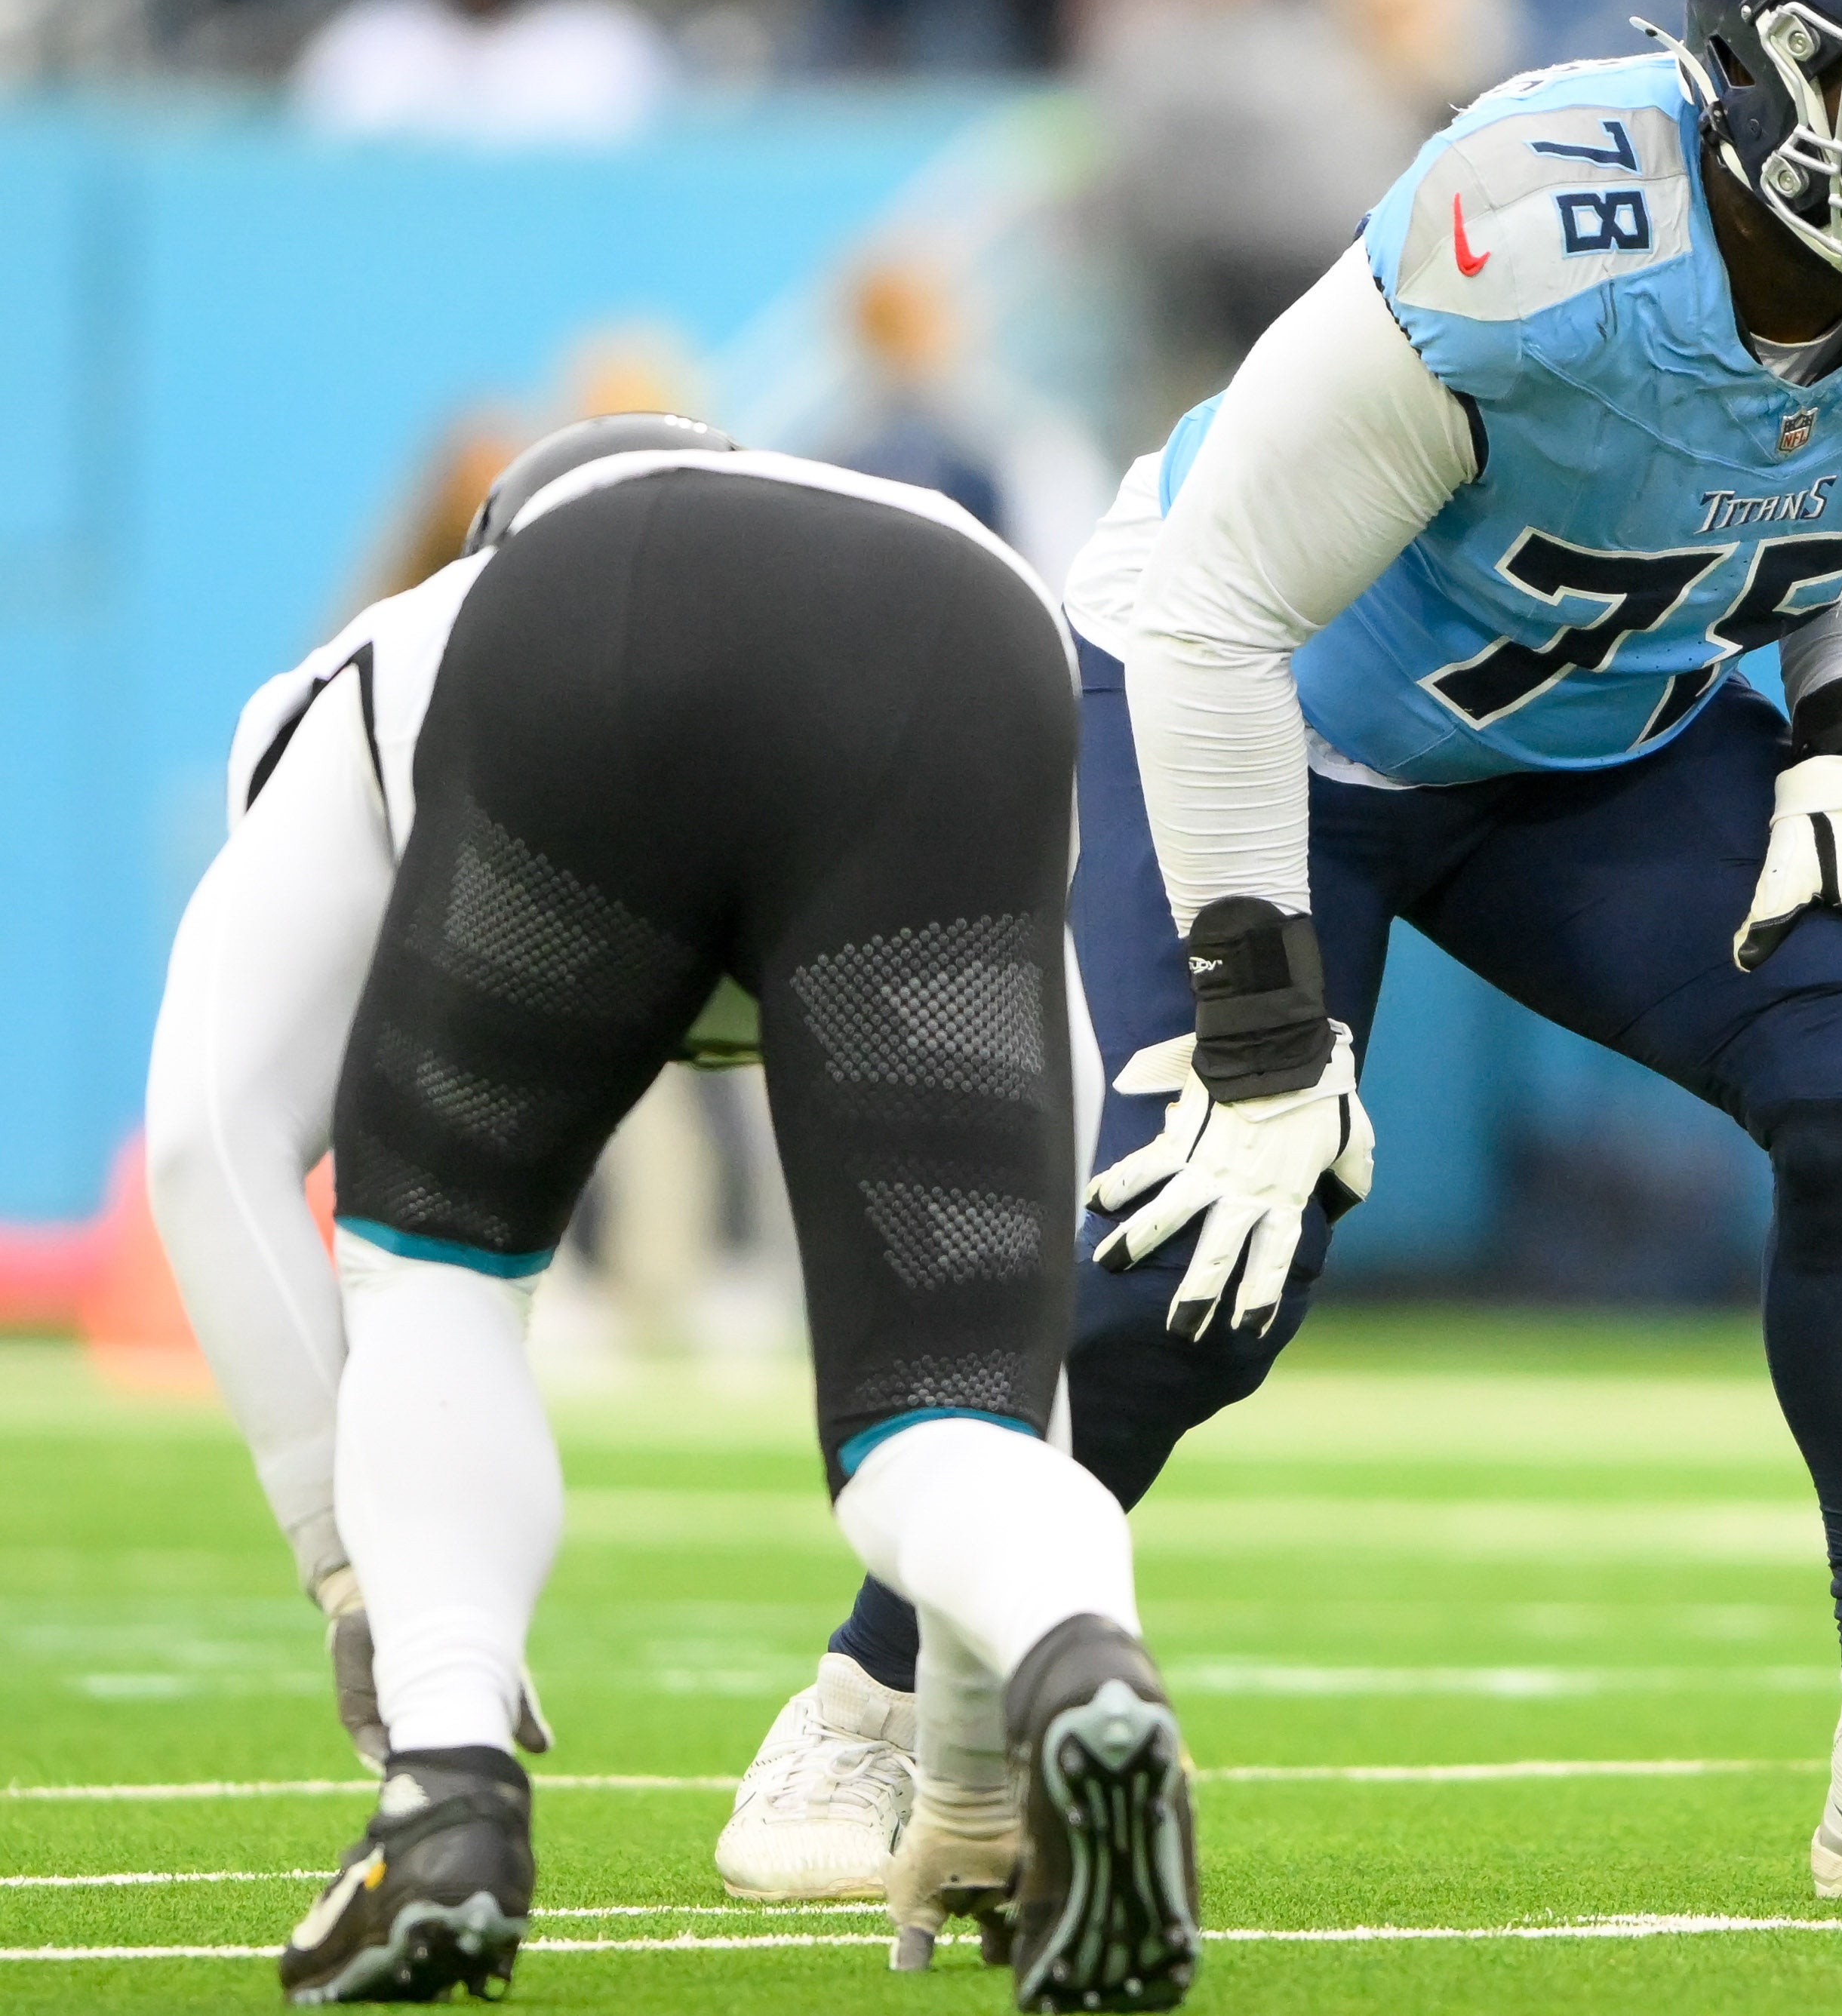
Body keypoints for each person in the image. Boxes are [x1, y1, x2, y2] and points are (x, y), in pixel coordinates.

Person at [718, 0, 1842, 1910]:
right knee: (1188, 1274)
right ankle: (855, 1720)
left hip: (1594, 740)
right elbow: (1208, 613)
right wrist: (1259, 1023)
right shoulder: (1540, 229)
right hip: (1257, 715)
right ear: (1750, 77)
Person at [143, 416, 1196, 2007]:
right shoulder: (919, 564)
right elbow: (1018, 1322)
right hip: (968, 631)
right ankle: (1088, 1663)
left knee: (429, 1266)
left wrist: (348, 1568)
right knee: (943, 1409)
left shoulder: (394, 647)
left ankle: (447, 1798)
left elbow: (206, 1147)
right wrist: (972, 1788)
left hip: (587, 626)